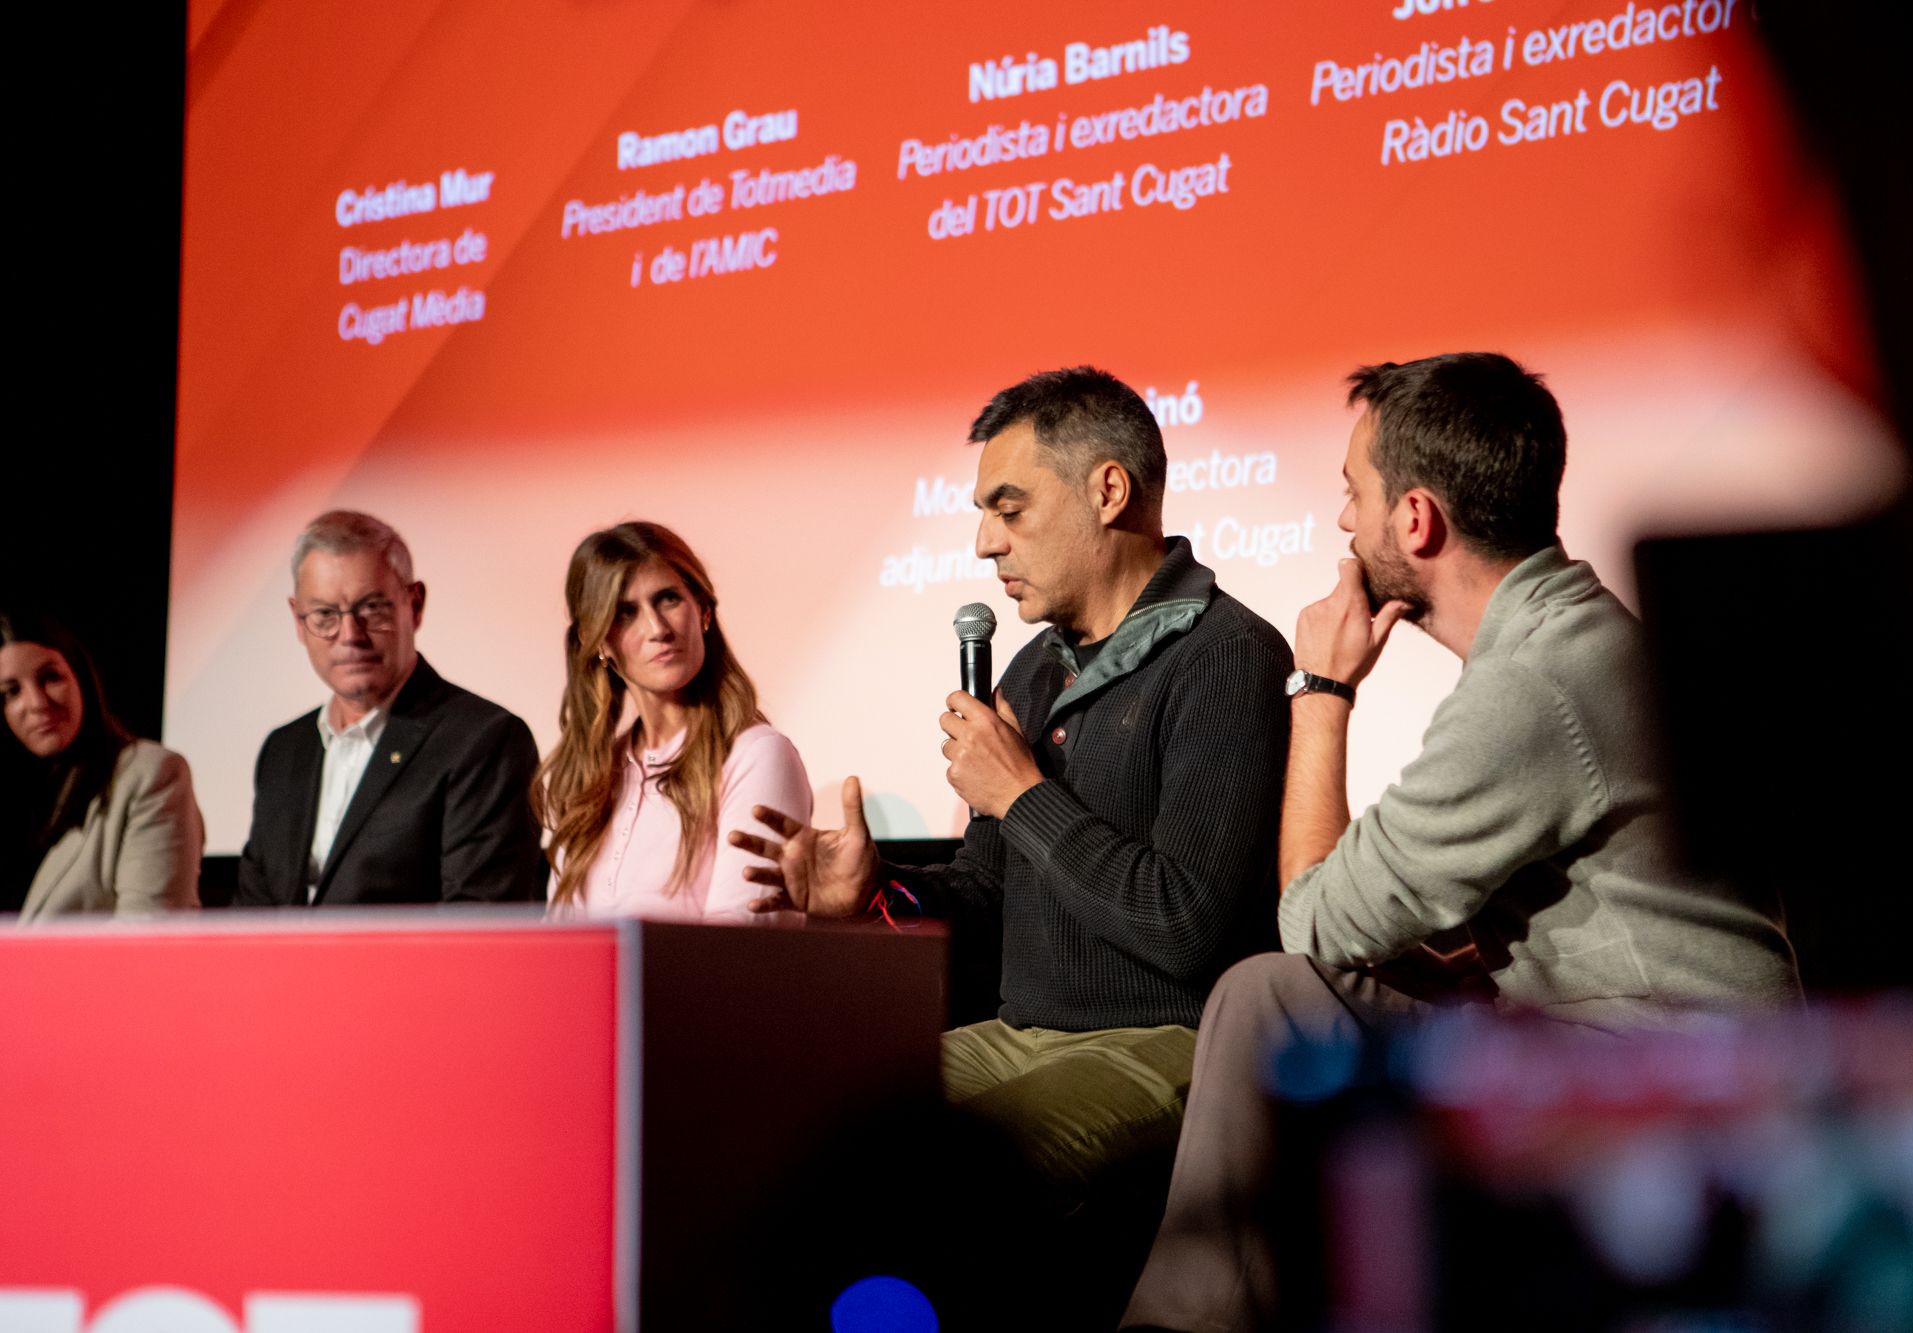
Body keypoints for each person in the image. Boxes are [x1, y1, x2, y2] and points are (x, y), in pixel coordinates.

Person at [1121, 353, 1803, 1332]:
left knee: (1270, 994)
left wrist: (1319, 693)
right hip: (1607, 1041)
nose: (1340, 525)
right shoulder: (1567, 642)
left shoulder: (1531, 686)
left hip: (1667, 1083)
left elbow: (1310, 922)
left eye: (1350, 495)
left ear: (1414, 520)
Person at [731, 367, 1293, 1319]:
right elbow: (987, 890)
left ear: (1108, 492)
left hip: (1163, 1039)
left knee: (937, 1177)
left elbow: (1187, 925)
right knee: (780, 1117)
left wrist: (1024, 792)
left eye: (1010, 508)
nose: (985, 541)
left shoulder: (1228, 654)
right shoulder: (1036, 670)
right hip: (1017, 1031)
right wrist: (878, 894)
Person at [235, 510, 543, 907]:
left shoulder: (484, 741)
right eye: (325, 615)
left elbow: (474, 927)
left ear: (414, 605)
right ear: (298, 621)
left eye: (371, 609)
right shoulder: (283, 751)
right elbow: (252, 917)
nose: (350, 636)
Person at [533, 521, 809, 920]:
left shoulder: (758, 755)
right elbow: (559, 948)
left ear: (705, 611)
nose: (657, 629)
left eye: (668, 599)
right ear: (599, 645)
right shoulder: (590, 779)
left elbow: (743, 953)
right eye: (625, 613)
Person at [2, 610, 203, 919]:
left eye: (50, 677)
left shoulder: (150, 774)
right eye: (11, 692)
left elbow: (147, 942)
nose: (37, 704)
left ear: (80, 676)